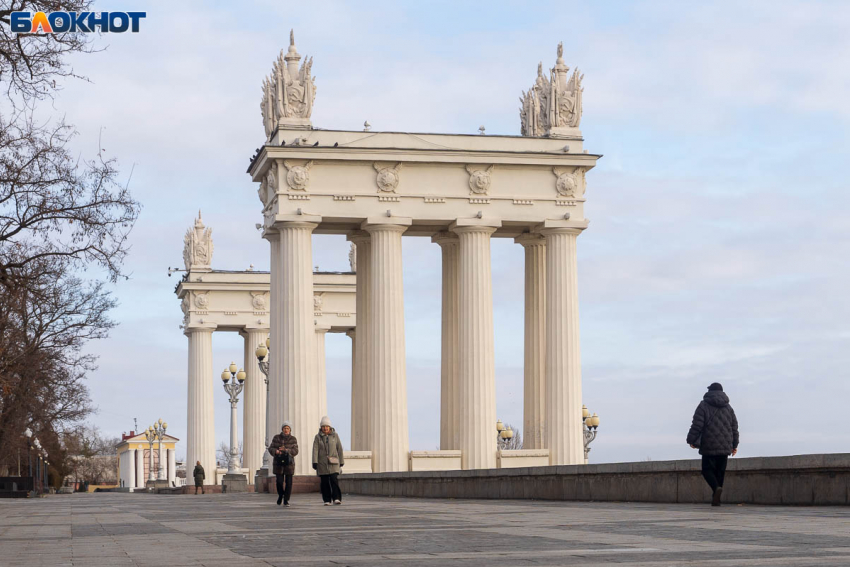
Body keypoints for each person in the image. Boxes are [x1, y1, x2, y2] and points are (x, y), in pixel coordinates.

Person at [686, 382, 739, 506]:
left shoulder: (703, 405)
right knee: (720, 472)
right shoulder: (729, 408)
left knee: (706, 470)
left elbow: (697, 425)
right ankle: (716, 499)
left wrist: (691, 440)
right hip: (725, 445)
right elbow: (734, 427)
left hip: (709, 444)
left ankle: (716, 489)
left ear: (710, 391)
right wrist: (734, 444)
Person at [312, 415, 344, 505]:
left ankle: (337, 498)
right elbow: (315, 450)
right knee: (324, 482)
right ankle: (327, 500)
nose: (325, 428)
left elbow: (339, 449)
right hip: (322, 463)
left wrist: (341, 461)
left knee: (334, 480)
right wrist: (315, 462)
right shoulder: (317, 437)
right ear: (321, 427)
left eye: (327, 426)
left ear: (330, 427)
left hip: (334, 463)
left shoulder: (335, 436)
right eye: (323, 426)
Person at [268, 421, 299, 507]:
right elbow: (270, 448)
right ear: (282, 429)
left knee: (289, 483)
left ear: (290, 430)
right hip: (278, 463)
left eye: (288, 428)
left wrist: (286, 450)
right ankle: (281, 495)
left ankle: (286, 499)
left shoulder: (293, 439)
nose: (286, 430)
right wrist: (276, 451)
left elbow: (295, 451)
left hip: (289, 464)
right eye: (285, 428)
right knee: (279, 482)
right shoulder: (276, 438)